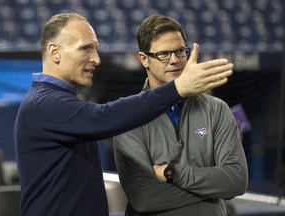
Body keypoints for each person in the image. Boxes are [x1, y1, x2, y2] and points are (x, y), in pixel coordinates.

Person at [14, 12, 234, 216]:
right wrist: (176, 88)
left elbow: (235, 180)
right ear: (55, 52)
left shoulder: (59, 101)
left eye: (96, 48)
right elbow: (104, 117)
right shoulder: (44, 104)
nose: (96, 59)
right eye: (85, 49)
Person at [113, 14, 248, 216]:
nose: (175, 60)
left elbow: (236, 181)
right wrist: (211, 195)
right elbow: (144, 198)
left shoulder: (217, 109)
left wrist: (171, 172)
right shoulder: (128, 116)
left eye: (179, 51)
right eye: (164, 54)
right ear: (144, 59)